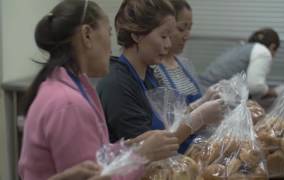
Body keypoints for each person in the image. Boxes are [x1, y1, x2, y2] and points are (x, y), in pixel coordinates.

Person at [19, 0, 179, 180]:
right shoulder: (69, 103)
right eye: (109, 33)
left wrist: (132, 146)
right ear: (87, 35)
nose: (111, 48)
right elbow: (96, 175)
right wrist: (143, 156)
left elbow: (97, 153)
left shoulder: (67, 84)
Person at [97, 0, 224, 154]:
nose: (168, 44)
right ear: (137, 35)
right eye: (163, 36)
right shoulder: (117, 85)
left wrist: (200, 104)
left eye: (170, 37)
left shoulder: (150, 74)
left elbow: (169, 123)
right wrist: (198, 117)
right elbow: (147, 152)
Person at [199, 28, 281, 99]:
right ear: (272, 46)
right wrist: (275, 92)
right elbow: (255, 86)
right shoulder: (263, 51)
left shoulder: (242, 47)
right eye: (275, 52)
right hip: (212, 97)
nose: (273, 56)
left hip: (202, 91)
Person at [153, 0, 203, 105]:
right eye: (181, 29)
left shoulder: (186, 64)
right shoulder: (154, 68)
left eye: (189, 28)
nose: (187, 36)